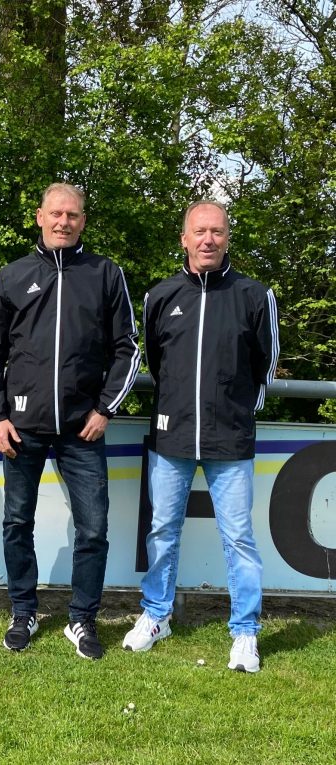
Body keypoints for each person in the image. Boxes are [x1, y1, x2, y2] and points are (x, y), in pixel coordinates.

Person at [0, 183, 140, 660]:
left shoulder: (106, 274)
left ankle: (82, 619)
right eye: (56, 213)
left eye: (73, 215)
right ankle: (22, 610)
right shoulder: (13, 275)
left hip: (82, 429)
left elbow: (127, 348)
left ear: (83, 221)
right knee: (16, 522)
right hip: (20, 429)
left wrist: (105, 408)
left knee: (93, 529)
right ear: (39, 217)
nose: (64, 222)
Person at [122, 200, 279, 673]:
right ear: (184, 239)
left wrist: (235, 412)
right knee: (163, 531)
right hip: (172, 437)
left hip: (230, 441)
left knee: (239, 539)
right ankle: (156, 616)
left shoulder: (255, 295)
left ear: (228, 238)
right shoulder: (160, 296)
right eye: (199, 231)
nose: (208, 239)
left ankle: (245, 632)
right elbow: (155, 361)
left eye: (217, 231)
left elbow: (265, 365)